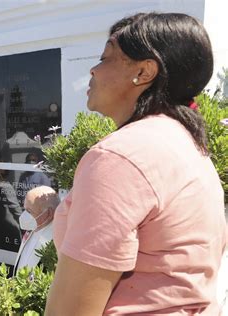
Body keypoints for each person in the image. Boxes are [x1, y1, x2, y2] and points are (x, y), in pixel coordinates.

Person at [46, 13, 226, 315]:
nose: (93, 68)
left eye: (106, 58)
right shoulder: (187, 144)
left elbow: (71, 310)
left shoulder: (119, 158)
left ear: (144, 72)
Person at [13, 186, 59, 276]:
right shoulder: (32, 227)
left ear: (49, 213)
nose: (24, 215)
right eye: (24, 209)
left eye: (29, 211)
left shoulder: (57, 239)